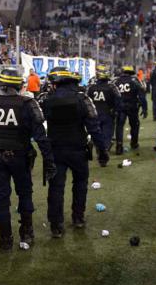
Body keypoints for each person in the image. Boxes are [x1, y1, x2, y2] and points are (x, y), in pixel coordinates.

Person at [0, 67, 56, 251]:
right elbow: (41, 136)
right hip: (21, 156)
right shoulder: (28, 103)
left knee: (1, 199)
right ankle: (26, 232)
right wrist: (48, 160)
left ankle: (5, 239)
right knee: (25, 194)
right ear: (20, 84)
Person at [41, 67, 108, 236]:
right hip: (78, 149)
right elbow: (94, 127)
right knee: (80, 185)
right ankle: (78, 218)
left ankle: (56, 225)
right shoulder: (82, 99)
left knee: (56, 188)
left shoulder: (45, 99)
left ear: (55, 83)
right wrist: (102, 150)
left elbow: (36, 125)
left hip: (55, 150)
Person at [86, 65, 122, 166]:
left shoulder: (91, 86)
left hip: (94, 114)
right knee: (107, 136)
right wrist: (116, 111)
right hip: (107, 114)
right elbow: (118, 100)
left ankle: (96, 147)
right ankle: (103, 156)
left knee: (97, 134)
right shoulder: (111, 86)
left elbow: (85, 100)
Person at [113, 65, 147, 154]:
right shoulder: (135, 80)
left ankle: (119, 146)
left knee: (119, 126)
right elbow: (142, 95)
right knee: (135, 125)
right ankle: (134, 143)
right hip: (132, 107)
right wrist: (144, 108)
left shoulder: (116, 81)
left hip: (120, 107)